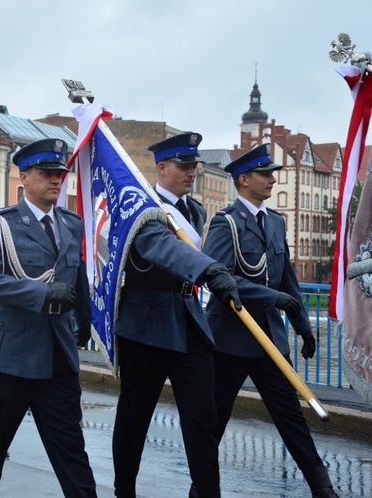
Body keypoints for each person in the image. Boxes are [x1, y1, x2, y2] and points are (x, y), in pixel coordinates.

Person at [202, 144, 339, 498]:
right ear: (243, 179)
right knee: (214, 421)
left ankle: (323, 488)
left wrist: (303, 327)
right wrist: (271, 298)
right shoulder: (226, 223)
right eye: (265, 174)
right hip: (230, 340)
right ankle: (201, 490)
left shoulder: (275, 222)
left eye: (272, 173)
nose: (272, 179)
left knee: (291, 417)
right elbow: (219, 278)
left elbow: (287, 279)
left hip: (270, 342)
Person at [112, 133, 242, 498]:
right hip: (145, 322)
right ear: (162, 168)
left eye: (194, 166)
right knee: (135, 416)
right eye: (184, 166)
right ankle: (125, 490)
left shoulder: (195, 210)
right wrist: (210, 269)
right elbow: (162, 247)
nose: (191, 173)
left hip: (187, 318)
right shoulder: (142, 207)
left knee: (203, 416)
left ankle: (206, 490)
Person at [0, 138, 97, 497]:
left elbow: (76, 275)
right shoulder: (1, 224)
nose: (56, 180)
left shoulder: (71, 224)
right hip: (9, 356)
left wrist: (83, 319)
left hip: (57, 355)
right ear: (23, 177)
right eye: (47, 173)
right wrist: (42, 294)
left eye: (60, 174)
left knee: (71, 450)